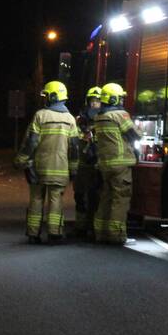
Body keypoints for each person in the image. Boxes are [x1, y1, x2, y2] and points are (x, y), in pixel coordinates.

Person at [13, 80, 80, 244]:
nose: (45, 99)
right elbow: (74, 148)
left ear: (52, 96)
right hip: (60, 168)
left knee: (36, 199)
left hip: (39, 168)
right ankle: (54, 233)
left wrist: (20, 161)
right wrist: (73, 169)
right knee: (55, 199)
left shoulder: (40, 116)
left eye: (46, 95)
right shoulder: (71, 120)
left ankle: (33, 234)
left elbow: (31, 142)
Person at [93, 82, 141, 245]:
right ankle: (116, 234)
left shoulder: (99, 117)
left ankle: (100, 232)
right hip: (121, 164)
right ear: (114, 99)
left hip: (105, 165)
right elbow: (135, 134)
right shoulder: (120, 115)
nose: (121, 101)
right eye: (120, 98)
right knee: (120, 199)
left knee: (106, 197)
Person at [72, 86, 103, 238]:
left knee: (95, 198)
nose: (95, 105)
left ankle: (93, 227)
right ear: (87, 102)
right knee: (80, 197)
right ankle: (80, 227)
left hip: (98, 166)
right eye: (93, 101)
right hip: (82, 166)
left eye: (98, 101)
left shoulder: (105, 120)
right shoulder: (79, 121)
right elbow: (72, 141)